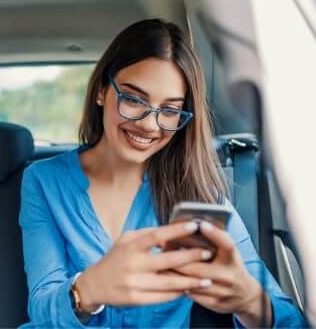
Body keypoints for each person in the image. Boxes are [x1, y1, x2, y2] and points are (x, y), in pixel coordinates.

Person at [18, 19, 305, 328]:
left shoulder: (196, 191)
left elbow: (291, 321)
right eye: (132, 99)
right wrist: (89, 288)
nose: (149, 125)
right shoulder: (43, 180)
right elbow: (42, 307)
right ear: (102, 90)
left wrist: (249, 300)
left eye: (169, 110)